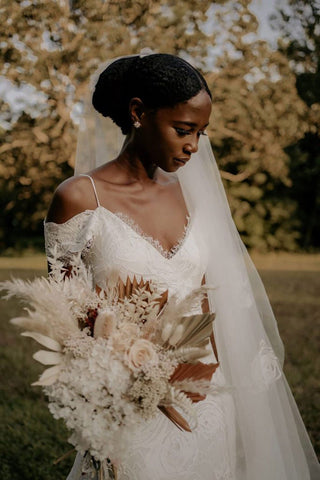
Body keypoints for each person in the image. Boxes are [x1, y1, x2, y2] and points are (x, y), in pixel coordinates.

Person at [45, 53, 319, 480]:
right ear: (138, 112)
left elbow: (214, 305)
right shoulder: (80, 198)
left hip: (207, 401)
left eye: (201, 133)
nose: (194, 145)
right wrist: (103, 404)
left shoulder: (197, 197)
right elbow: (64, 319)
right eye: (183, 130)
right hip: (127, 406)